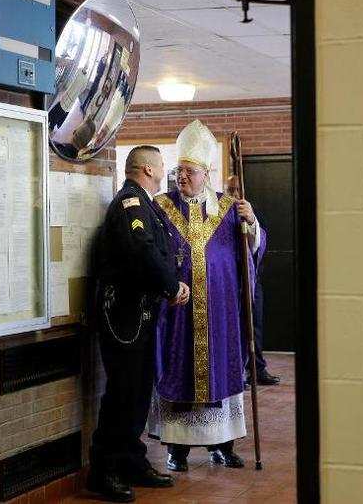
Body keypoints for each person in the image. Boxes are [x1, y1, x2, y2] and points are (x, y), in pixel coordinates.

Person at [148, 120, 266, 472]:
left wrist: (252, 224)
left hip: (220, 313)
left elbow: (253, 251)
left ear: (206, 173)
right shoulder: (161, 207)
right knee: (178, 371)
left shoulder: (230, 208)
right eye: (178, 170)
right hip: (178, 312)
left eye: (189, 171)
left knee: (221, 372)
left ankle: (222, 445)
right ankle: (177, 450)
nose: (181, 177)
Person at [88, 145, 191, 503]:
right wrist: (170, 285)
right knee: (123, 394)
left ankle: (131, 461)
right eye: (162, 163)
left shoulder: (144, 203)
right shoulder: (130, 203)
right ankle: (105, 472)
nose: (166, 169)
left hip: (140, 314)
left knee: (138, 394)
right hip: (124, 317)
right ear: (147, 169)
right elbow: (142, 250)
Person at [225, 175, 280, 386]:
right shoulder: (219, 212)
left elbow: (260, 242)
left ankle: (258, 368)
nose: (235, 194)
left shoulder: (251, 212)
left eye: (238, 189)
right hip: (230, 281)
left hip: (252, 279)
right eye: (230, 190)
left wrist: (249, 221)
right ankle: (237, 372)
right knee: (235, 326)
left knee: (254, 325)